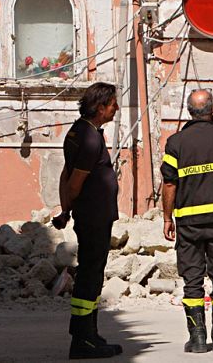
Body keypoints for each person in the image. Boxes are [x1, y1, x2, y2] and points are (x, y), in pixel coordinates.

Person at [160, 89, 213, 353]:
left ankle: (197, 339)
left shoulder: (176, 143)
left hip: (190, 221)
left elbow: (169, 183)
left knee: (193, 278)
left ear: (189, 111)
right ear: (212, 109)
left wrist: (167, 217)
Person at [57, 82, 123, 359]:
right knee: (90, 275)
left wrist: (65, 209)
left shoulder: (79, 131)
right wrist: (67, 209)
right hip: (93, 217)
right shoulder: (89, 138)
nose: (116, 108)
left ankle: (89, 334)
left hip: (92, 215)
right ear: (99, 107)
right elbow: (74, 182)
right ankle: (84, 338)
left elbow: (65, 175)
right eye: (112, 104)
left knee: (90, 273)